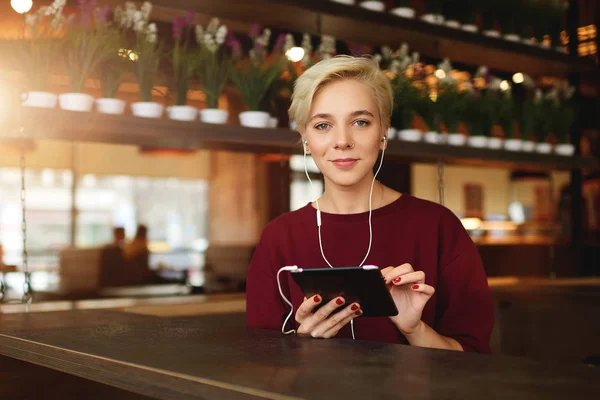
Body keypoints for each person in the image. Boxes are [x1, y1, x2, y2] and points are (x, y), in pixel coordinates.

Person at [246, 56, 494, 353]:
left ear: (383, 134)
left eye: (360, 122)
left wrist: (414, 329)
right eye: (323, 125)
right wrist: (302, 345)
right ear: (306, 140)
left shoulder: (438, 226)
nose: (342, 141)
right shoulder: (278, 237)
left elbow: (474, 362)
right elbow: (263, 365)